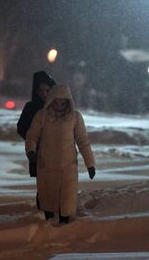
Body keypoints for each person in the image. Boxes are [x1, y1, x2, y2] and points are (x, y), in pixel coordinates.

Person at [25, 84, 96, 225]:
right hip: (46, 164)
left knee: (67, 199)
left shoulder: (75, 117)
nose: (59, 105)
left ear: (68, 102)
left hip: (67, 165)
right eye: (56, 102)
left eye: (62, 103)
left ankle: (65, 224)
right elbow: (32, 136)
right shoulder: (42, 116)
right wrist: (31, 151)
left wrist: (90, 164)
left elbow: (83, 141)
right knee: (48, 195)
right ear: (51, 100)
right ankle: (48, 223)